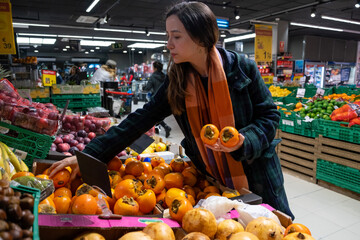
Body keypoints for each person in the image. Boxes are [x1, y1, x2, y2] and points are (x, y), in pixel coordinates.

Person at [49, 1, 294, 219]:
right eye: (168, 36)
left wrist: (244, 140)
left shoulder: (242, 69)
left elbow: (270, 116)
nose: (168, 44)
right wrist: (90, 155)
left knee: (275, 229)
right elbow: (138, 120)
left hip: (258, 175)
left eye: (176, 36)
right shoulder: (177, 81)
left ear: (200, 37)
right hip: (213, 179)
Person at [143, 61, 172, 137]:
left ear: (155, 68)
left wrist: (144, 87)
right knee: (158, 114)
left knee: (153, 114)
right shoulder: (165, 76)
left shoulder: (153, 76)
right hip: (165, 98)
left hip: (156, 98)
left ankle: (165, 127)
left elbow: (148, 88)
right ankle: (160, 128)